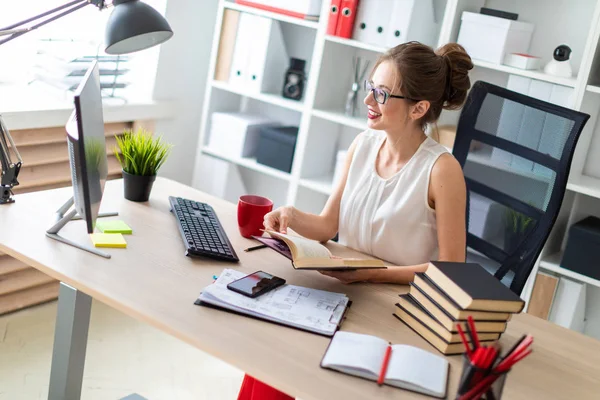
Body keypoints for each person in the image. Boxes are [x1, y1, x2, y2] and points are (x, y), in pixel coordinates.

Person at [237, 41, 473, 400]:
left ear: (418, 108)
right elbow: (328, 224)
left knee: (301, 365)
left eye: (381, 93)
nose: (368, 101)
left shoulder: (442, 170)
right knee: (269, 357)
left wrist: (371, 275)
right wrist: (291, 215)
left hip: (395, 304)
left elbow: (451, 269)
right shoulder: (363, 145)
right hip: (346, 289)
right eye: (370, 88)